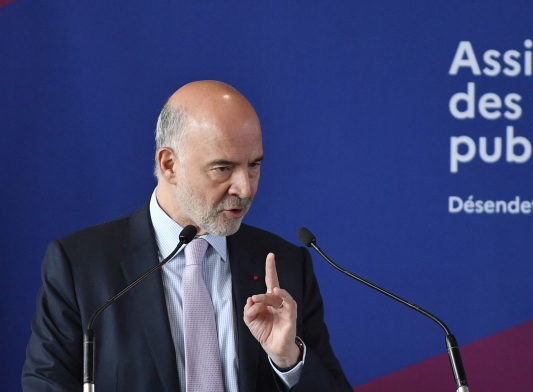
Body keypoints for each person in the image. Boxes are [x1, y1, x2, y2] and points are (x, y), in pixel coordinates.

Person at [22, 81, 353, 392]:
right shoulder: (80, 266)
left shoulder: (287, 267)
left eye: (253, 165)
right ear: (169, 165)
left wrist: (290, 360)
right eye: (222, 168)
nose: (245, 187)